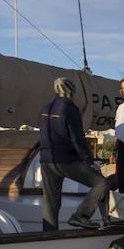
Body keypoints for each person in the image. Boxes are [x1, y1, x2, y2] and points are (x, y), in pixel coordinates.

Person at [38, 77, 113, 231]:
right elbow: (77, 139)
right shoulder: (70, 110)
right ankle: (81, 216)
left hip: (46, 161)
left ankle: (48, 237)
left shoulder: (45, 109)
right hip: (66, 161)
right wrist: (90, 162)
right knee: (102, 183)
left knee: (51, 202)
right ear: (71, 92)